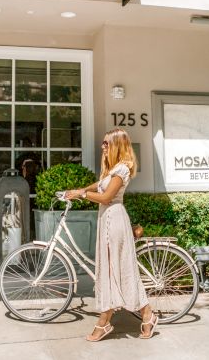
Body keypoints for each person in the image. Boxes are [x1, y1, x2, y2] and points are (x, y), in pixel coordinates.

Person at [66, 128, 158, 342]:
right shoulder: (112, 168)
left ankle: (106, 320)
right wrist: (79, 190)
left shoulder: (123, 168)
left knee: (119, 269)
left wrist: (82, 194)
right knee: (112, 269)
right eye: (103, 143)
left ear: (117, 144)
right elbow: (99, 185)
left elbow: (106, 197)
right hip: (106, 221)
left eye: (106, 143)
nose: (103, 146)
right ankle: (145, 314)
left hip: (115, 221)